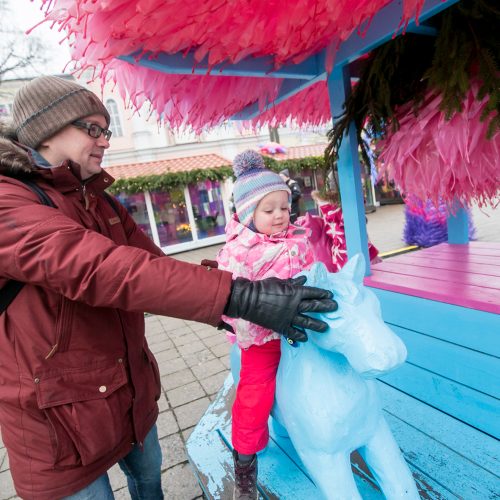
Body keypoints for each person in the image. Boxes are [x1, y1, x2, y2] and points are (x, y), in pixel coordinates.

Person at [0, 77, 337, 500]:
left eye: (107, 128)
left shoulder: (97, 199)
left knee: (150, 485)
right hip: (57, 420)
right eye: (94, 128)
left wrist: (232, 301)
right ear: (47, 128)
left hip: (125, 393)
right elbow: (102, 267)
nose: (106, 139)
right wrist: (240, 296)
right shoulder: (8, 199)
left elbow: (155, 268)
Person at [217, 151, 335, 499]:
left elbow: (314, 273)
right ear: (246, 214)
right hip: (262, 338)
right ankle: (245, 462)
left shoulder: (298, 238)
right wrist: (248, 318)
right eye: (269, 211)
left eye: (284, 207)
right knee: (255, 395)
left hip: (301, 328)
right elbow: (227, 298)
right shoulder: (238, 253)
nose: (280, 216)